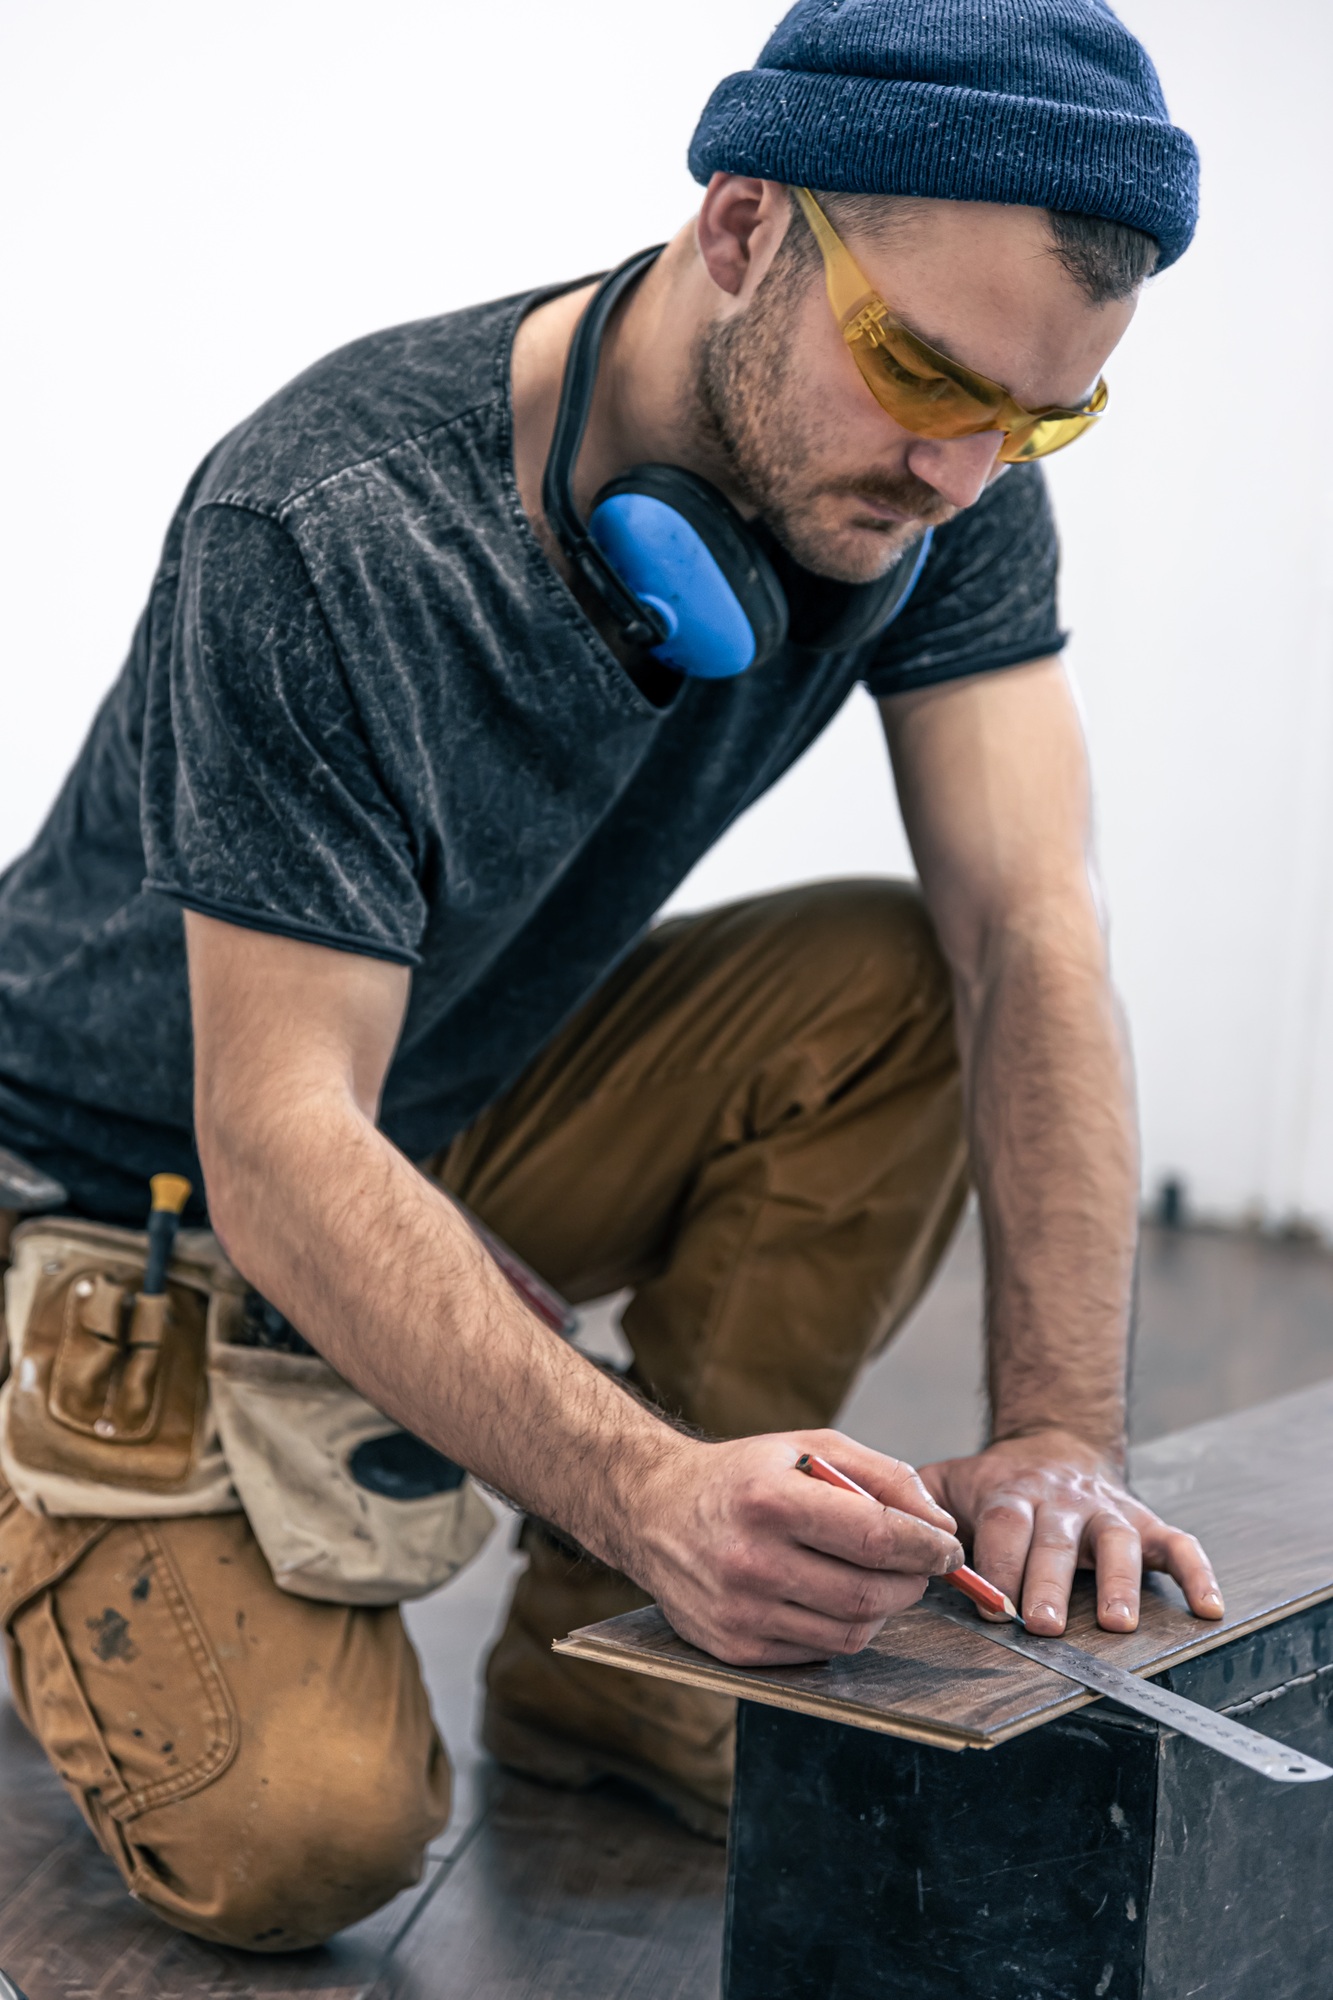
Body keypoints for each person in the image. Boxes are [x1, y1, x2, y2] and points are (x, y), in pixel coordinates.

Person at [0, 0, 1224, 1954]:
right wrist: (653, 1485)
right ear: (739, 225)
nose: (965, 470)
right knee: (311, 1834)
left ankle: (626, 1668)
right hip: (116, 1204)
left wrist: (1060, 1427)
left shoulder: (942, 471)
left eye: (1039, 415)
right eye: (919, 369)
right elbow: (276, 1133)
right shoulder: (331, 527)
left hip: (441, 1097)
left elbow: (1030, 934)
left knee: (913, 978)